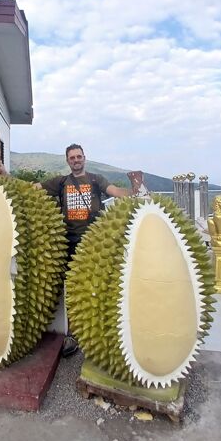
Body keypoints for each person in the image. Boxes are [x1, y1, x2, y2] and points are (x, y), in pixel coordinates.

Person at [37, 143, 132, 357]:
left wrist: (136, 192)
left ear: (84, 158)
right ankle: (73, 334)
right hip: (69, 241)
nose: (76, 160)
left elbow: (115, 192)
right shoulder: (61, 182)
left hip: (94, 242)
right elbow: (34, 188)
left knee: (97, 287)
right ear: (67, 161)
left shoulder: (96, 180)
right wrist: (5, 175)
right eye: (72, 158)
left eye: (79, 157)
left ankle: (100, 334)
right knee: (72, 288)